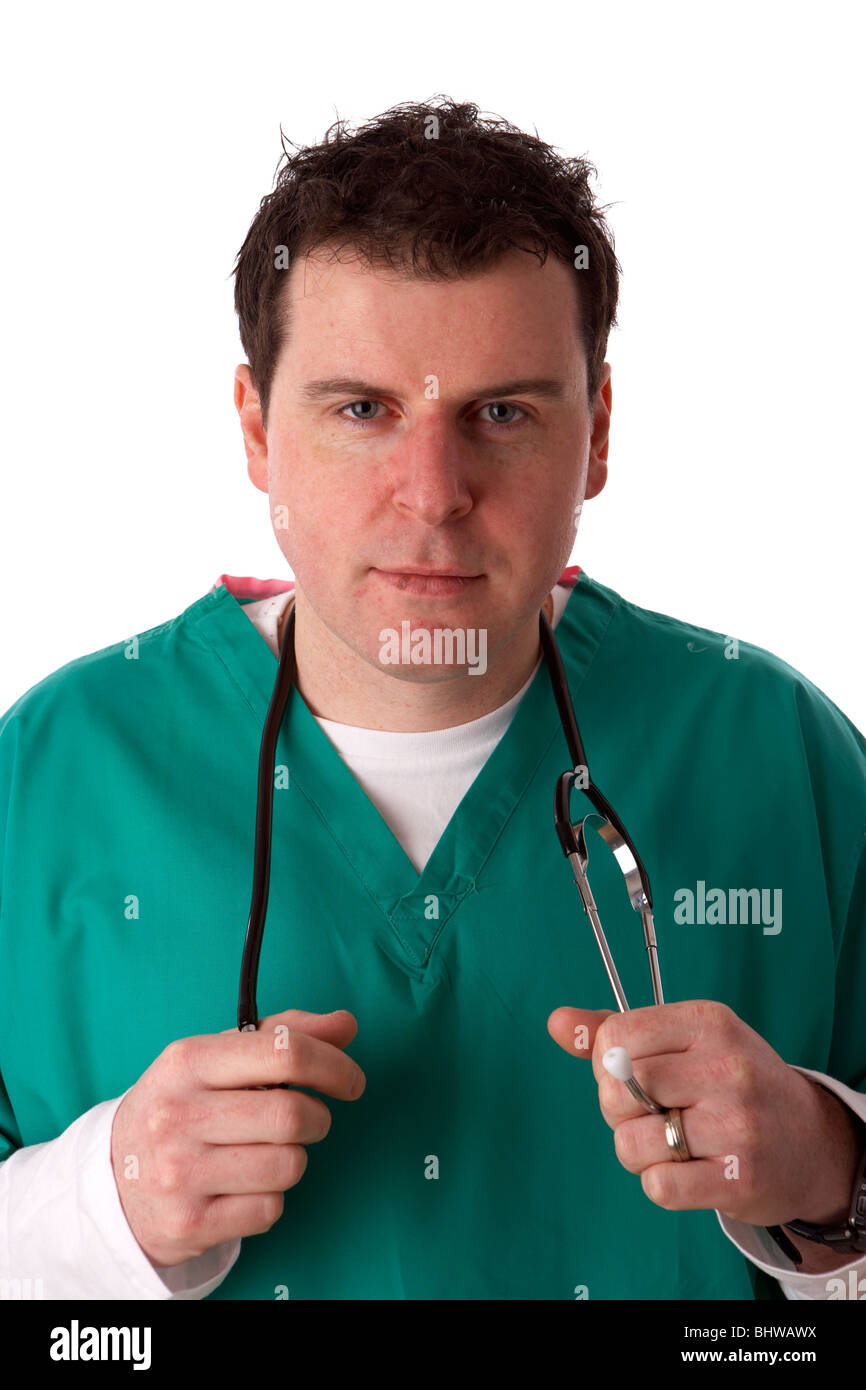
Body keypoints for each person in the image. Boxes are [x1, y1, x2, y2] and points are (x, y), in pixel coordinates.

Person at [1, 96, 864, 1302]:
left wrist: (835, 1172)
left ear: (597, 432)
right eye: (361, 410)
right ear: (255, 431)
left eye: (500, 413)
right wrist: (101, 1205)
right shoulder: (44, 774)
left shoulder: (781, 752)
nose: (433, 492)